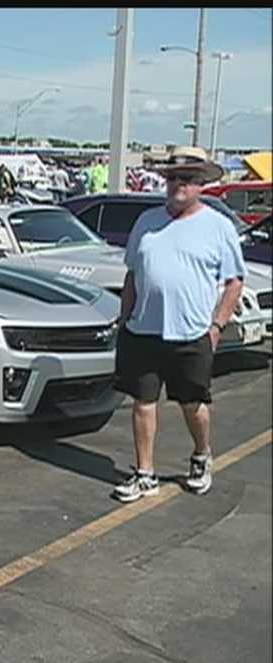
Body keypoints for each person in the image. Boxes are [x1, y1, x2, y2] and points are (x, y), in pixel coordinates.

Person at [111, 146, 245, 502]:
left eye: (186, 179)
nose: (177, 185)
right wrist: (125, 320)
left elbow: (234, 282)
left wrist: (216, 326)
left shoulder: (218, 227)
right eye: (172, 178)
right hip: (144, 330)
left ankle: (201, 456)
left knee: (192, 404)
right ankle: (145, 474)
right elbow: (132, 275)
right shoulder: (146, 222)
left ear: (201, 184)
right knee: (143, 403)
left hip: (191, 333)